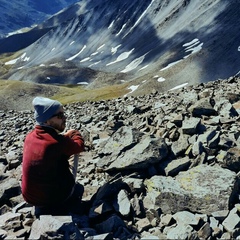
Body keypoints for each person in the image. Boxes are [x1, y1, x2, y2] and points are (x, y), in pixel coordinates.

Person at [21, 96, 85, 216]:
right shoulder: (57, 142)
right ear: (46, 121)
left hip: (30, 198)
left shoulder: (30, 137)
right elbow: (79, 146)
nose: (64, 118)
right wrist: (74, 133)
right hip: (52, 199)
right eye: (60, 116)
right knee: (78, 188)